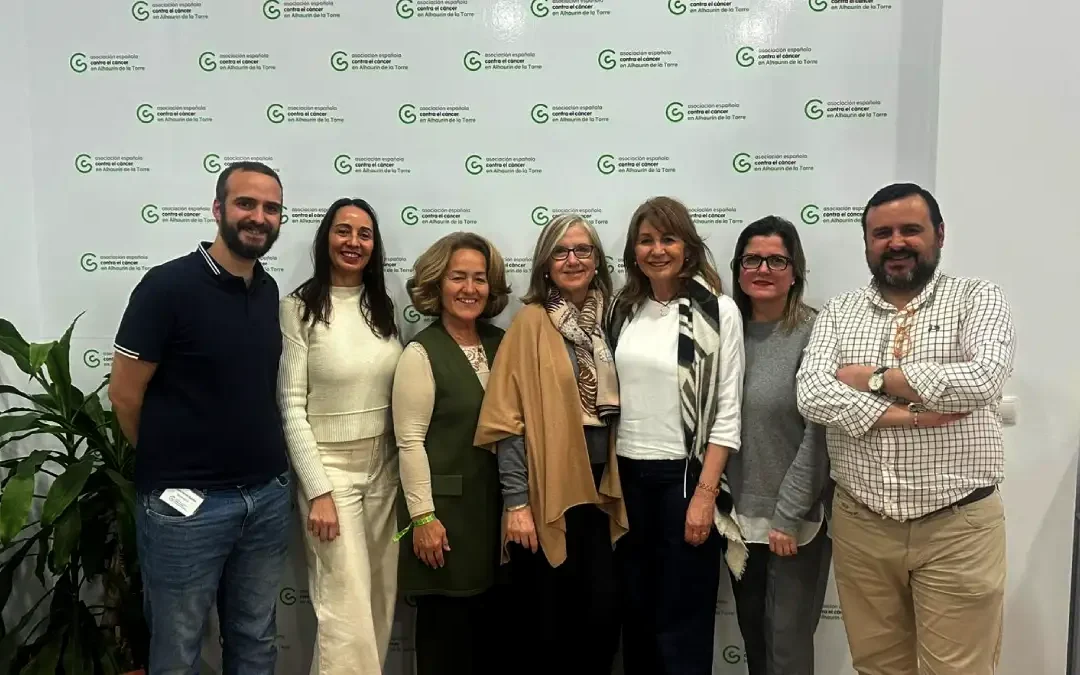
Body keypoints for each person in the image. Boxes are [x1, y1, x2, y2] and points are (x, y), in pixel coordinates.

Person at [796, 182, 1015, 675]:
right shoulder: (839, 311)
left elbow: (981, 380)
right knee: (876, 667)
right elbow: (811, 393)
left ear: (938, 235)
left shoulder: (976, 298)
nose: (896, 242)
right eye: (882, 233)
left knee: (958, 669)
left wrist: (872, 378)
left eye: (910, 230)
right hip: (862, 522)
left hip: (957, 526)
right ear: (868, 243)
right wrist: (912, 412)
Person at [108, 161, 291, 673]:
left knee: (256, 640)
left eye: (271, 208)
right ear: (217, 209)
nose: (259, 217)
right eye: (246, 204)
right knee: (179, 649)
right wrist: (172, 465)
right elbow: (124, 395)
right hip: (186, 509)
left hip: (267, 498)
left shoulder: (268, 290)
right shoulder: (166, 287)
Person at [473, 214, 628, 675]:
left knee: (600, 621)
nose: (573, 260)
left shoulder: (615, 321)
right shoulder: (530, 323)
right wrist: (516, 502)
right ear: (545, 264)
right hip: (547, 495)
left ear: (597, 260)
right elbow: (508, 420)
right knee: (547, 625)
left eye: (583, 250)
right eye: (561, 251)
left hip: (603, 494)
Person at [605, 196, 747, 675]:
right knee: (637, 612)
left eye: (667, 238)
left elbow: (728, 411)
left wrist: (706, 494)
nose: (657, 250)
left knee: (681, 618)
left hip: (684, 478)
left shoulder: (717, 311)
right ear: (633, 251)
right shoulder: (624, 310)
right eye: (646, 240)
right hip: (626, 478)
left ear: (688, 247)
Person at [277, 198, 402, 674]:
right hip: (332, 475)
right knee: (343, 613)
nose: (353, 242)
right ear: (325, 238)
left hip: (385, 473)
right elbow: (290, 407)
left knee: (377, 602)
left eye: (364, 234)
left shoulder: (382, 307)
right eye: (343, 231)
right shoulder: (298, 309)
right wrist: (319, 491)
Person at [391, 232, 511, 674]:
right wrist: (423, 518)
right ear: (437, 284)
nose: (469, 288)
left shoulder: (504, 344)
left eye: (479, 278)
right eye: (458, 277)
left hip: (499, 521)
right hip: (446, 525)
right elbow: (409, 443)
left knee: (493, 645)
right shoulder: (421, 354)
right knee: (447, 645)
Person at [726, 216, 832, 675]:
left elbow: (820, 432)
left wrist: (789, 516)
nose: (763, 268)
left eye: (776, 259)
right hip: (735, 522)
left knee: (787, 651)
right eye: (752, 259)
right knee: (754, 644)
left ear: (795, 270)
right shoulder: (725, 333)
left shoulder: (816, 333)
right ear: (738, 268)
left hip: (795, 522)